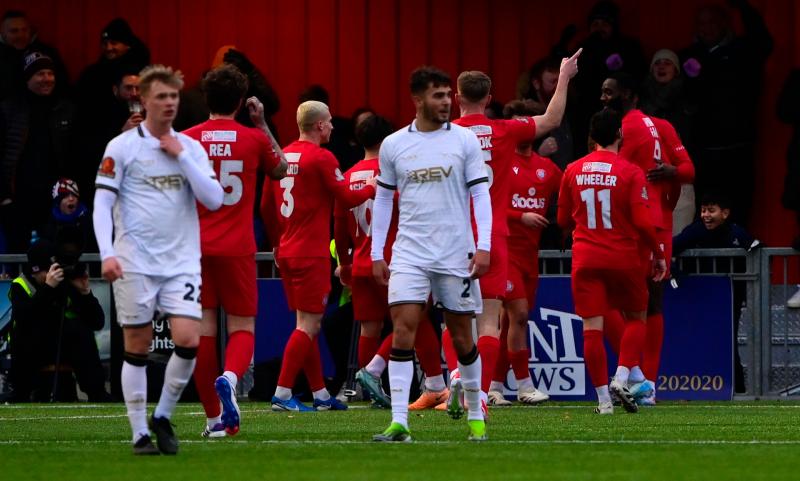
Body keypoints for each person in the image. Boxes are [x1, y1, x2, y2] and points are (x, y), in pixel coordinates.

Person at [93, 65, 224, 455]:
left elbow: (214, 199)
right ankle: (139, 434)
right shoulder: (122, 147)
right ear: (145, 100)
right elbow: (102, 202)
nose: (169, 104)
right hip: (133, 262)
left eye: (174, 97)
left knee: (188, 339)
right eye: (162, 97)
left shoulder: (191, 147)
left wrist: (182, 156)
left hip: (181, 262)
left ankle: (163, 415)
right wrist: (107, 252)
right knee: (138, 342)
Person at [440, 52, 579, 416]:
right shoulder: (503, 130)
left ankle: (456, 372)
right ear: (489, 98)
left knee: (454, 317)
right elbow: (552, 118)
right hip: (492, 235)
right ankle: (480, 398)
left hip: (451, 236)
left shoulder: (442, 136)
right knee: (490, 321)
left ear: (457, 96)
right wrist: (564, 76)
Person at [369, 66, 491, 442]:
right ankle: (399, 422)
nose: (446, 102)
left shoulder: (465, 140)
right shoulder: (393, 145)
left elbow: (480, 194)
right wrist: (378, 251)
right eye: (437, 96)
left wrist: (483, 245)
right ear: (417, 99)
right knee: (403, 331)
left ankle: (476, 415)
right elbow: (384, 199)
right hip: (410, 254)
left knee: (462, 340)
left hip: (456, 254)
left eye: (447, 95)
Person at [183, 64, 286, 437]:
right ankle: (229, 377)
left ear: (206, 99)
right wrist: (260, 125)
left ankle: (213, 420)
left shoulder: (188, 139)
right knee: (243, 326)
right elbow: (281, 170)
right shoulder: (253, 139)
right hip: (238, 247)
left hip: (195, 247)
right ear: (242, 101)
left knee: (202, 332)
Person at [262, 100, 375, 412]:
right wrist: (372, 188)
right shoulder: (322, 158)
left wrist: (276, 242)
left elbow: (265, 207)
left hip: (286, 251)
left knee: (303, 323)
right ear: (319, 126)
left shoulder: (281, 155)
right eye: (329, 122)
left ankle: (320, 394)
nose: (333, 127)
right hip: (311, 253)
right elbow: (347, 197)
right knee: (308, 326)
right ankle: (283, 394)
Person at [333, 115, 448, 410]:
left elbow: (338, 224)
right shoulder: (394, 173)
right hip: (393, 261)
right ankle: (430, 382)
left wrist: (345, 262)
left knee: (370, 329)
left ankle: (375, 390)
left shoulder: (349, 176)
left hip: (360, 262)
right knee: (416, 318)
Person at [557, 108, 666, 415]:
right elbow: (644, 223)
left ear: (592, 138)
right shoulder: (630, 172)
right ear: (620, 135)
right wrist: (657, 253)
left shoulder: (572, 170)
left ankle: (604, 402)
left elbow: (562, 218)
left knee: (591, 328)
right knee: (636, 316)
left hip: (586, 256)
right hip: (623, 256)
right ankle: (622, 377)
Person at [488, 111, 562, 406]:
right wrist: (522, 216)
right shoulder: (502, 165)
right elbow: (490, 205)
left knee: (514, 321)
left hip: (530, 256)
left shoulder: (547, 168)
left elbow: (569, 192)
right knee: (517, 314)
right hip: (505, 252)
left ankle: (494, 386)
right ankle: (524, 385)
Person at [679, 0, 773, 225]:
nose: (706, 27)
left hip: (737, 148)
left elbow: (765, 44)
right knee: (704, 212)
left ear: (724, 24)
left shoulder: (742, 51)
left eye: (712, 22)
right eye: (701, 23)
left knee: (737, 209)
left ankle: (738, 259)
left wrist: (744, 8)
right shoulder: (688, 56)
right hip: (702, 149)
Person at [673, 194, 759, 393]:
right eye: (703, 210)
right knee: (696, 340)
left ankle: (735, 389)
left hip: (730, 298)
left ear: (725, 213)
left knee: (728, 341)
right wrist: (679, 273)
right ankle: (693, 389)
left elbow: (758, 250)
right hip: (698, 296)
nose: (706, 215)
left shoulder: (736, 232)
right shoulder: (695, 230)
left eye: (711, 210)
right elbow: (671, 247)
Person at [8, 239, 108, 402]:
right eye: (49, 270)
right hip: (32, 349)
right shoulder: (20, 285)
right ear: (35, 270)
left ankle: (97, 392)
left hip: (64, 346)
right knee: (25, 335)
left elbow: (97, 322)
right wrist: (48, 288)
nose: (54, 274)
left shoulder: (67, 283)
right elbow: (25, 319)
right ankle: (21, 393)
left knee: (82, 332)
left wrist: (85, 292)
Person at [0, 51, 76, 254]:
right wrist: (4, 196)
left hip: (55, 198)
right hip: (18, 198)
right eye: (40, 74)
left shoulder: (65, 109)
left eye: (50, 73)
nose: (47, 79)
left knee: (57, 255)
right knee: (18, 255)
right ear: (27, 77)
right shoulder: (9, 110)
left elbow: (74, 154)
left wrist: (70, 191)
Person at [639, 49, 697, 235]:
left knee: (677, 239)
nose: (662, 66)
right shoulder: (640, 104)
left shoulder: (688, 102)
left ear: (677, 70)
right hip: (648, 179)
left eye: (667, 62)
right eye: (657, 62)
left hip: (679, 179)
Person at [0, 10, 69, 100]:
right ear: (3, 33)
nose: (20, 35)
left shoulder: (47, 52)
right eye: (14, 31)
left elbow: (62, 84)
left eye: (24, 30)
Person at [39, 178, 97, 254]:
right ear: (58, 201)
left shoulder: (89, 220)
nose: (71, 199)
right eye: (66, 196)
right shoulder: (50, 224)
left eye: (74, 195)